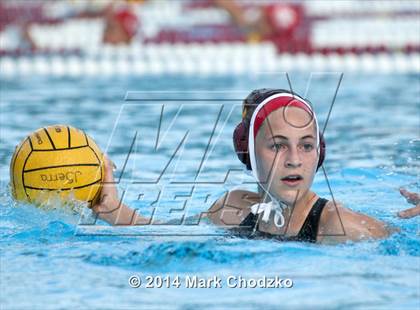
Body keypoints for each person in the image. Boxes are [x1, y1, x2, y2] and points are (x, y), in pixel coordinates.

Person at [92, 88, 416, 244]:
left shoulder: (337, 224)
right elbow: (164, 230)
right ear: (247, 152)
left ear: (320, 153)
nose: (294, 159)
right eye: (278, 145)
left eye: (306, 145)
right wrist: (112, 208)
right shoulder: (233, 208)